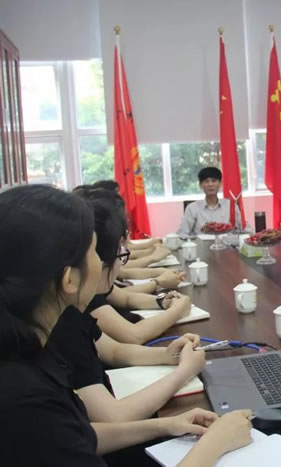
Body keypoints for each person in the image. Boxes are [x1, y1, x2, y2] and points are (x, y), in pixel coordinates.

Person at [0, 184, 252, 466]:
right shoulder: (23, 398)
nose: (105, 261)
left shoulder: (29, 347)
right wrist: (217, 441)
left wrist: (165, 425)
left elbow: (76, 434)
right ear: (69, 279)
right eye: (94, 252)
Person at [75, 188, 193, 344]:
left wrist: (161, 301)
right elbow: (134, 335)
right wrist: (177, 309)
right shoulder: (84, 294)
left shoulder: (95, 283)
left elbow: (125, 297)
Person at [178, 167, 233, 237]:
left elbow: (243, 231)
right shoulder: (192, 208)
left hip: (227, 243)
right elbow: (183, 234)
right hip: (200, 243)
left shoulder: (231, 206)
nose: (210, 184)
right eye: (206, 181)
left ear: (220, 183)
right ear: (200, 185)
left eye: (214, 181)